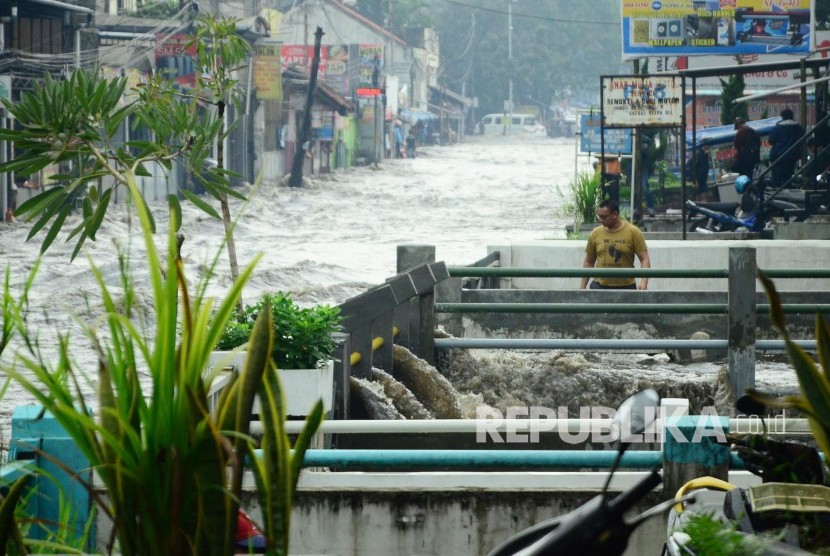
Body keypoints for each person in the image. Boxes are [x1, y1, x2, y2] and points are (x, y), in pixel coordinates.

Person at [580, 199, 651, 290]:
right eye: (599, 217)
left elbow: (644, 259)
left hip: (626, 287)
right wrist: (582, 287)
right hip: (599, 286)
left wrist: (644, 282)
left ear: (615, 215)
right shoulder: (595, 234)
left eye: (604, 217)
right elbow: (589, 262)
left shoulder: (633, 232)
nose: (601, 220)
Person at [769, 108, 805, 188]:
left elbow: (771, 140)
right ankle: (787, 189)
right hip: (791, 156)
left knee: (777, 176)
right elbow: (802, 139)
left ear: (783, 117)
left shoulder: (778, 127)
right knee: (788, 175)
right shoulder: (798, 127)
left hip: (777, 155)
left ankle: (777, 190)